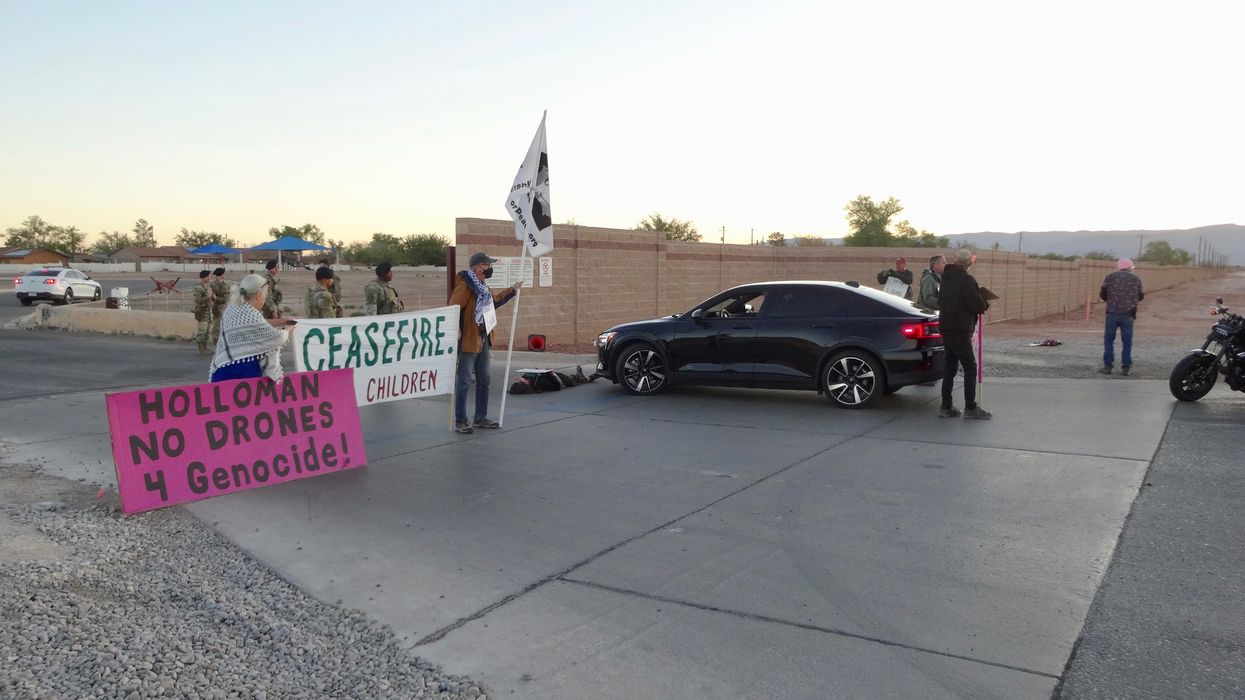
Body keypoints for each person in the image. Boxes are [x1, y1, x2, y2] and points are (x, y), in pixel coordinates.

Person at [447, 251, 522, 434]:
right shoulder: (466, 285)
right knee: (464, 381)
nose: (490, 269)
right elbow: (454, 307)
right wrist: (455, 328)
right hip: (468, 339)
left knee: (484, 379)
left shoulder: (482, 287)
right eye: (487, 265)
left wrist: (512, 290)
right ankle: (461, 420)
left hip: (483, 338)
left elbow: (493, 303)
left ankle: (480, 417)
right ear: (477, 267)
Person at [208, 274, 296, 382]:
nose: (265, 298)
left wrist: (281, 321)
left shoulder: (234, 306)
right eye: (265, 295)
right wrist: (288, 328)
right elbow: (279, 338)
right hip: (243, 373)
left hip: (222, 369)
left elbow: (256, 324)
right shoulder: (251, 314)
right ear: (258, 295)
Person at [938, 248, 992, 419]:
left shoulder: (945, 279)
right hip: (960, 329)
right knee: (970, 366)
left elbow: (940, 301)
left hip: (946, 327)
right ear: (969, 262)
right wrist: (984, 300)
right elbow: (976, 306)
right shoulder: (967, 280)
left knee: (950, 367)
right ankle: (970, 408)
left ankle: (946, 407)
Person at [1098, 258, 1144, 376]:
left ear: (1119, 267)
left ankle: (1108, 366)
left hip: (1112, 313)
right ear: (1129, 267)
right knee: (1127, 342)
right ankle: (1125, 367)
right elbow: (1140, 296)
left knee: (1109, 340)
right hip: (1128, 314)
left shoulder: (1110, 277)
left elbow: (1103, 295)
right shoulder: (1136, 279)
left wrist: (1113, 300)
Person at [192, 270, 215, 355]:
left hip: (208, 311)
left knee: (207, 331)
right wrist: (207, 297)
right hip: (202, 312)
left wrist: (212, 297)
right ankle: (201, 349)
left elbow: (210, 299)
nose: (209, 278)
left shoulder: (207, 287)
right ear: (203, 277)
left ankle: (205, 347)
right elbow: (197, 300)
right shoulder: (198, 287)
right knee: (202, 331)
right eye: (208, 276)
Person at [209, 267, 229, 344]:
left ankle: (221, 340)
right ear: (219, 275)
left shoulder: (225, 284)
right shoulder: (212, 285)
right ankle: (216, 340)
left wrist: (217, 297)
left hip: (224, 307)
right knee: (217, 324)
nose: (224, 275)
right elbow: (212, 297)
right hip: (217, 308)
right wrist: (218, 298)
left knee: (224, 324)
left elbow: (226, 297)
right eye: (222, 274)